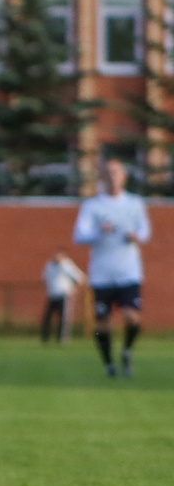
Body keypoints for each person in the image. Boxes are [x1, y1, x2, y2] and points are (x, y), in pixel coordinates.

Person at [74, 158, 149, 377]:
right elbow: (79, 236)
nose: (113, 176)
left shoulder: (135, 203)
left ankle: (126, 351)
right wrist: (99, 232)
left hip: (128, 272)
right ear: (102, 177)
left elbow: (145, 231)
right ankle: (109, 363)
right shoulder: (93, 206)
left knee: (132, 317)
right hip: (102, 274)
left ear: (124, 177)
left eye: (117, 172)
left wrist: (136, 236)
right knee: (102, 323)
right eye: (108, 172)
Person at [41, 249, 85, 345]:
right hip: (52, 295)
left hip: (64, 295)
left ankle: (62, 339)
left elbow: (80, 278)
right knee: (47, 317)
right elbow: (45, 278)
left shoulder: (66, 265)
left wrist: (75, 290)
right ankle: (45, 338)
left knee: (64, 318)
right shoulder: (50, 265)